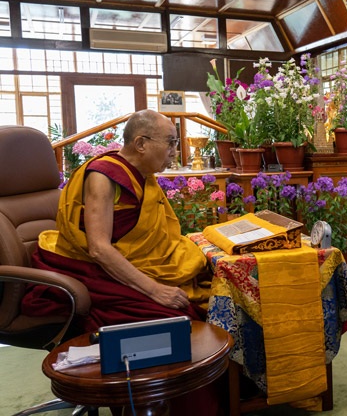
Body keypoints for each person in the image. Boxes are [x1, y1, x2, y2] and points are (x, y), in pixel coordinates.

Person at [21, 109, 219, 412]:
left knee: (202, 290)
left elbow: (143, 237)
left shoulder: (140, 176)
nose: (175, 152)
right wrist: (155, 289)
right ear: (141, 143)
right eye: (170, 143)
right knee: (176, 322)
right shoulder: (104, 176)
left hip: (119, 266)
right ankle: (155, 402)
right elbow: (99, 249)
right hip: (90, 272)